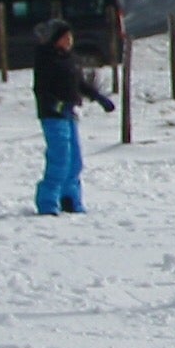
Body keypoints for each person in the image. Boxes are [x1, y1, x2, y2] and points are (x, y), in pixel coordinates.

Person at [29, 16, 115, 214]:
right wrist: (56, 106)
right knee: (60, 158)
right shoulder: (46, 59)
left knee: (75, 160)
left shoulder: (69, 58)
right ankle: (48, 202)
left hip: (69, 114)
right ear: (55, 39)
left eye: (70, 37)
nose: (69, 41)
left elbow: (79, 83)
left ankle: (69, 198)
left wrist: (99, 98)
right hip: (53, 116)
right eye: (65, 37)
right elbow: (41, 89)